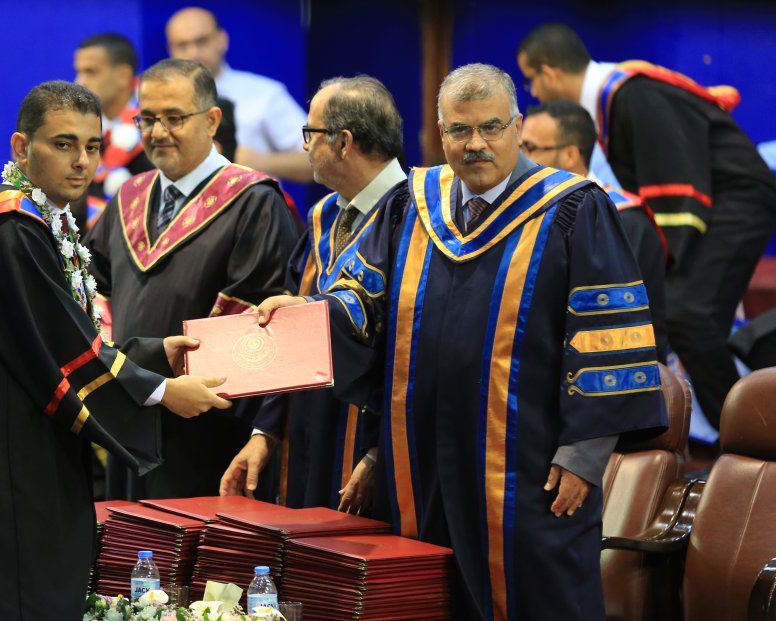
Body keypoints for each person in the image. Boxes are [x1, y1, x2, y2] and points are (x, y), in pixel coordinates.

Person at [257, 64, 666, 620]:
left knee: (534, 597)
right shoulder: (412, 203)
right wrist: (308, 315)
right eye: (459, 130)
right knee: (426, 594)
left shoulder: (572, 209)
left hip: (528, 467)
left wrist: (583, 457)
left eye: (491, 127)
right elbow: (362, 294)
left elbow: (606, 337)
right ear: (440, 132)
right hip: (420, 455)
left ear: (517, 127)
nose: (475, 144)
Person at [0, 80, 231, 621]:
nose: (82, 161)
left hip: (31, 450)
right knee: (18, 599)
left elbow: (67, 338)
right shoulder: (10, 231)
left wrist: (153, 353)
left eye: (92, 146)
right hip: (9, 462)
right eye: (63, 144)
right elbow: (60, 352)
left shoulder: (44, 221)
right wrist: (161, 391)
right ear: (21, 148)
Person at [517, 24, 776, 429]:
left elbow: (676, 179)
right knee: (687, 316)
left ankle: (750, 432)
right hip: (717, 204)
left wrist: (668, 259)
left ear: (549, 73)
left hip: (736, 201)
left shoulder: (632, 93)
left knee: (687, 313)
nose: (533, 91)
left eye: (531, 79)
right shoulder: (617, 101)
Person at [85, 59, 299, 501]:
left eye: (175, 118)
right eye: (147, 119)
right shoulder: (127, 197)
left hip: (209, 427)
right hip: (132, 413)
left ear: (212, 120)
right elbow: (91, 292)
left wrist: (169, 384)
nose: (158, 132)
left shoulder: (254, 202)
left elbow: (256, 323)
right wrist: (130, 374)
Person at [220, 76, 408, 513]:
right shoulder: (324, 216)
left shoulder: (416, 218)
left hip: (369, 437)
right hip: (307, 430)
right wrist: (264, 432)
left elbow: (412, 349)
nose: (304, 146)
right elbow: (288, 338)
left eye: (311, 133)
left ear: (344, 142)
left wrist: (379, 451)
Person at [520, 100, 669, 362]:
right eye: (519, 147)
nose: (520, 159)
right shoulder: (521, 213)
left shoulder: (625, 220)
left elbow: (623, 321)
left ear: (570, 155)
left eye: (530, 148)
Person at [166, 7, 312, 183]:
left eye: (202, 41)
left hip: (249, 198)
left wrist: (261, 161)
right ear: (170, 50)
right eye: (182, 45)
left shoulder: (265, 94)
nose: (193, 53)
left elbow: (317, 158)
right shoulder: (158, 101)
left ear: (222, 39)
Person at [74, 33, 154, 203]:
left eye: (91, 72)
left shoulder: (157, 125)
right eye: (79, 72)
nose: (80, 82)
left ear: (123, 76)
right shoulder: (76, 128)